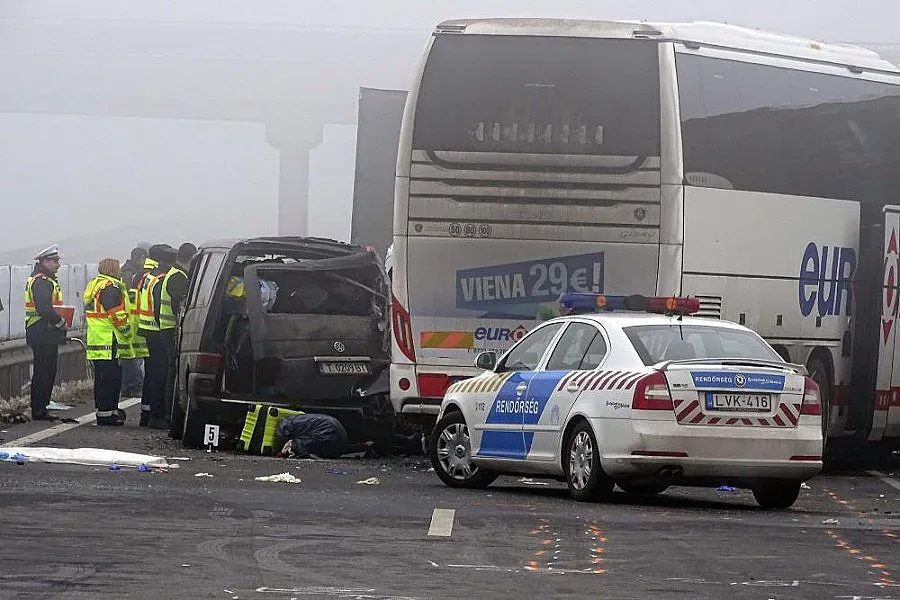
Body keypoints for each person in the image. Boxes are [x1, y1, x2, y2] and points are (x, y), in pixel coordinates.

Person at [83, 259, 132, 426]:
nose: (120, 271)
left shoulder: (95, 286)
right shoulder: (110, 288)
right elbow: (115, 313)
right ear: (112, 269)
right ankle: (107, 415)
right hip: (109, 340)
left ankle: (105, 413)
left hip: (97, 339)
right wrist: (127, 330)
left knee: (102, 379)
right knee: (111, 379)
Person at [24, 245, 67, 421]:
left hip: (42, 331)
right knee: (44, 371)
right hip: (43, 331)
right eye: (55, 261)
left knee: (45, 371)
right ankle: (40, 409)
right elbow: (44, 308)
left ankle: (41, 407)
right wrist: (60, 322)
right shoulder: (41, 281)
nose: (58, 264)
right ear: (45, 261)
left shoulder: (43, 279)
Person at [137, 244, 175, 428]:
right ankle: (157, 415)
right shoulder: (161, 279)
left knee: (151, 373)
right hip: (157, 331)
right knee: (160, 374)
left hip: (147, 329)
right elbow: (160, 308)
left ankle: (146, 412)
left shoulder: (148, 276)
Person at [159, 242, 195, 425]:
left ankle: (168, 413)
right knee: (173, 372)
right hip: (171, 329)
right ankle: (169, 414)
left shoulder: (174, 274)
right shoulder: (178, 278)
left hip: (168, 328)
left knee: (172, 370)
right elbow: (178, 307)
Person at [119, 246, 150, 398]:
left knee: (132, 357)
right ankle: (133, 386)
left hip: (131, 320)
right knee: (131, 358)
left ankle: (128, 386)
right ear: (141, 258)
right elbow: (130, 299)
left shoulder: (130, 272)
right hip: (130, 321)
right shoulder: (129, 274)